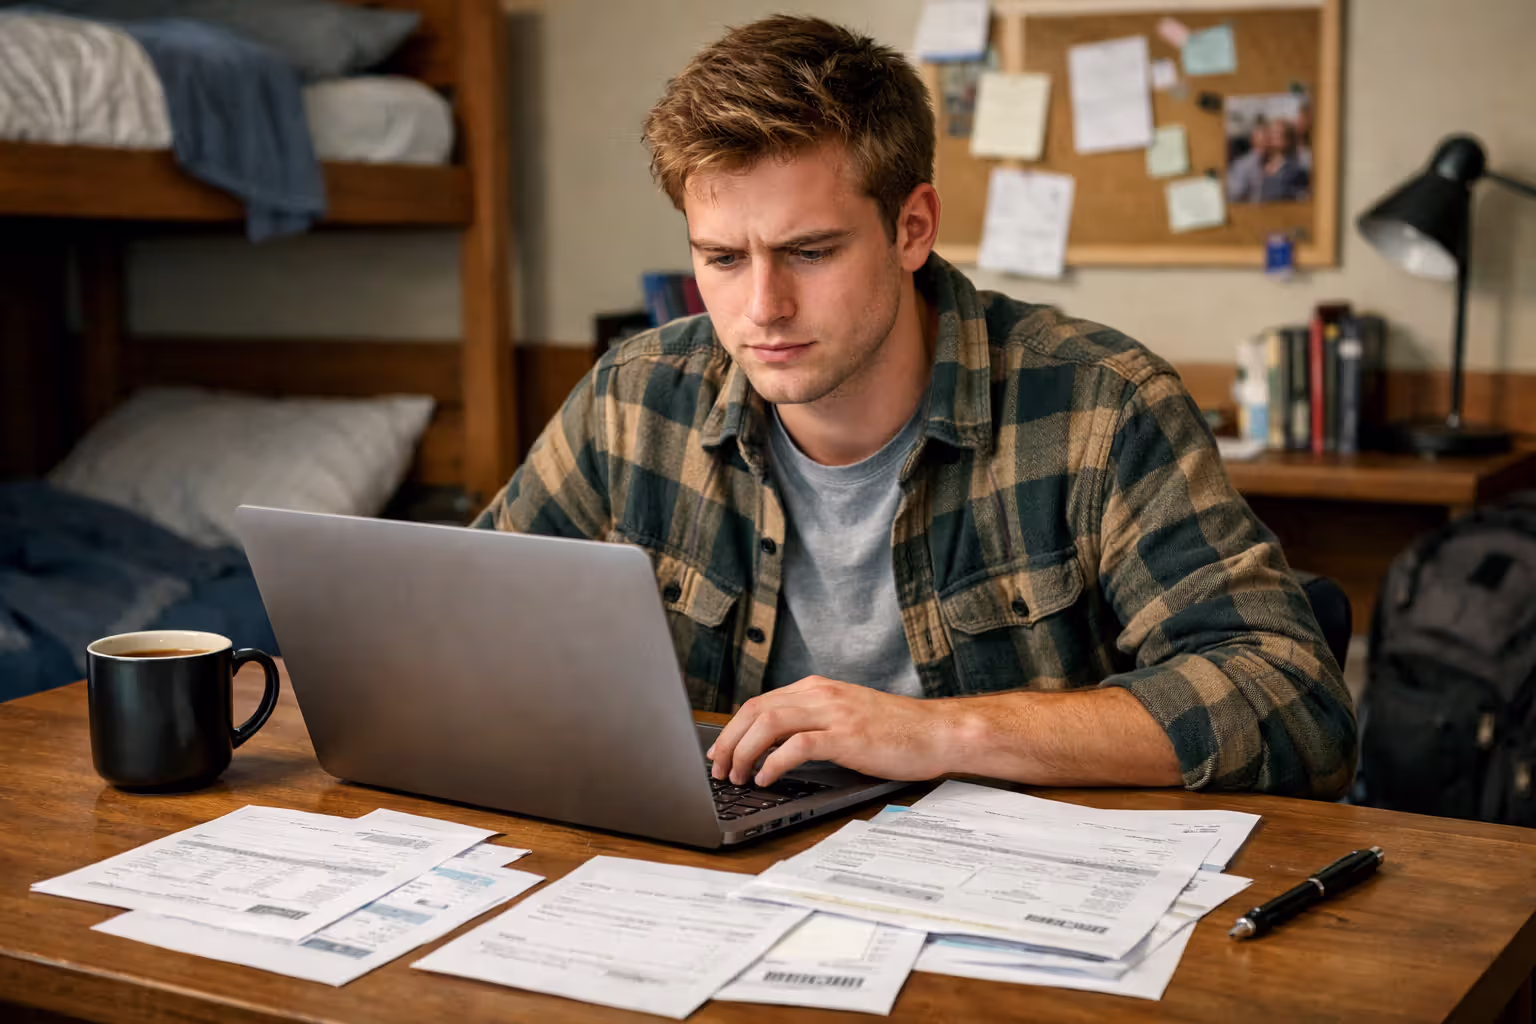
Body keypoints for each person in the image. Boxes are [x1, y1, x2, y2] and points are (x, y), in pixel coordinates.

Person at [474, 16, 1356, 800]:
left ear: (913, 227)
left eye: (810, 252)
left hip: (1012, 905)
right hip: (714, 881)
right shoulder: (636, 396)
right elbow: (464, 618)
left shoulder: (1102, 406)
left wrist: (937, 734)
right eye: (723, 259)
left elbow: (1293, 701)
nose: (762, 308)